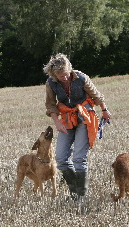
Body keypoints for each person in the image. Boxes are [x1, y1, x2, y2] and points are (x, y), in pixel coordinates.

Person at [43, 53, 111, 202]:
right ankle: (75, 191)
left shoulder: (81, 77)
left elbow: (97, 96)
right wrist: (57, 122)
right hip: (67, 119)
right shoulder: (51, 83)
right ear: (54, 75)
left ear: (69, 69)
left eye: (66, 74)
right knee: (60, 158)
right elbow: (50, 105)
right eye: (61, 76)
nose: (65, 78)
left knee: (79, 158)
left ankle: (81, 196)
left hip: (85, 117)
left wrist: (105, 111)